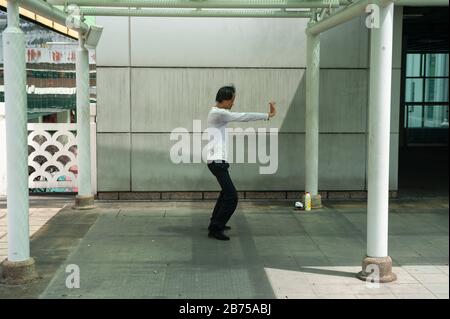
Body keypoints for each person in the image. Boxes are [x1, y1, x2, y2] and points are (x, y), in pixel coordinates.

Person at [206, 85, 276, 240]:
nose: (233, 103)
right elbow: (242, 116)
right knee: (232, 197)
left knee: (225, 194)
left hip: (218, 161)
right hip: (216, 161)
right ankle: (215, 229)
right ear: (224, 99)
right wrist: (267, 115)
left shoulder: (217, 113)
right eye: (232, 100)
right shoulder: (219, 113)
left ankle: (215, 223)